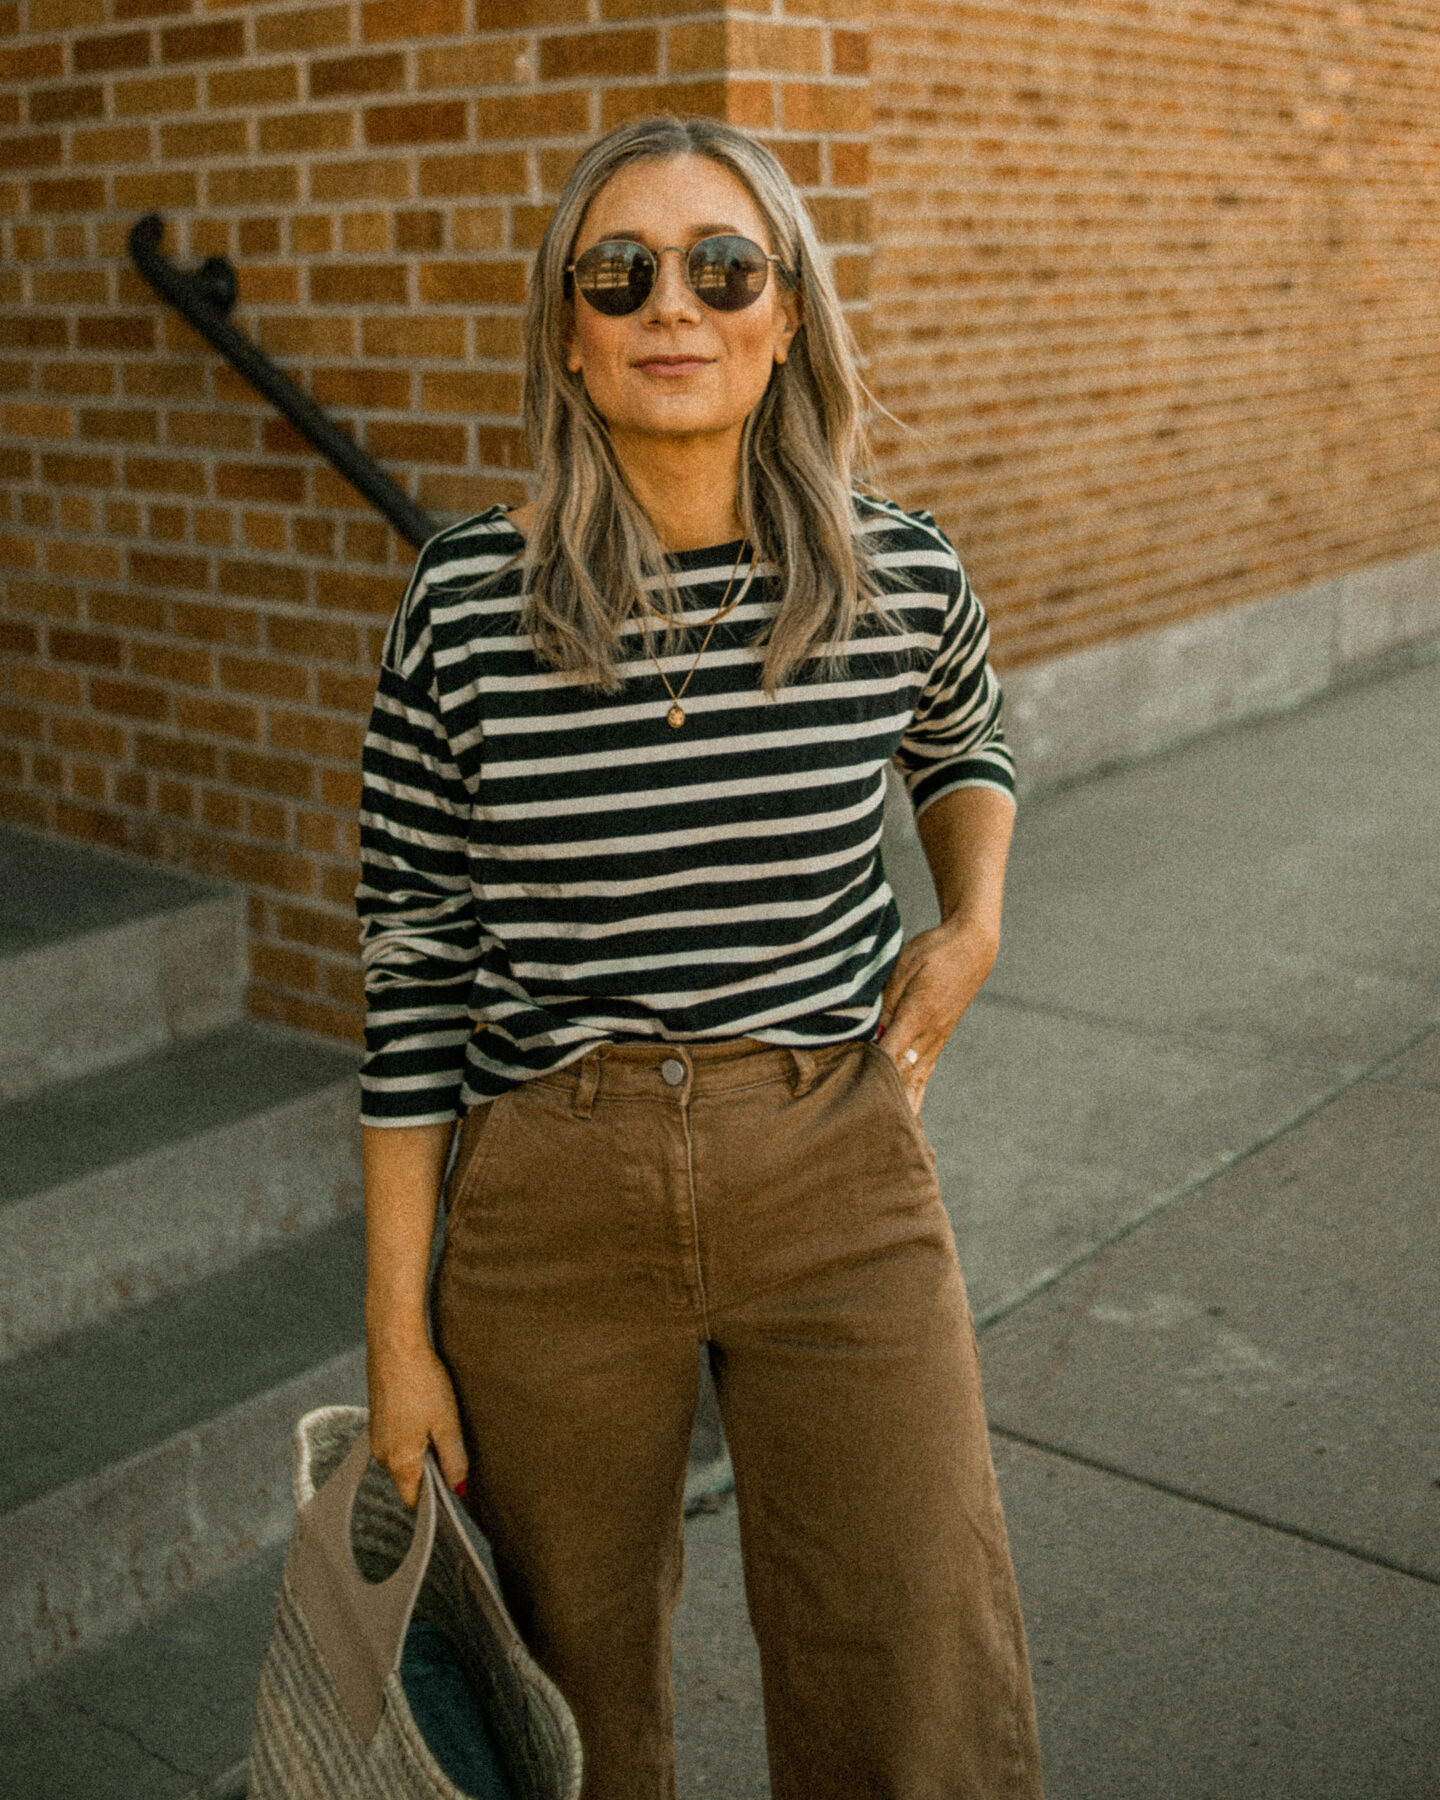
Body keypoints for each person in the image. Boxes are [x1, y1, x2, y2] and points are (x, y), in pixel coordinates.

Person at [357, 114, 1043, 1800]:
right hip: (551, 1199)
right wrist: (397, 1335)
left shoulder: (898, 569)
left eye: (724, 266)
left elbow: (967, 743)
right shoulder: (463, 603)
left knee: (914, 1670)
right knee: (563, 1708)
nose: (677, 304)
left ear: (788, 312)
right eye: (623, 271)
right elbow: (411, 965)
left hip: (836, 1168)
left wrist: (971, 924)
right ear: (570, 331)